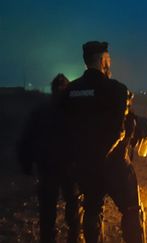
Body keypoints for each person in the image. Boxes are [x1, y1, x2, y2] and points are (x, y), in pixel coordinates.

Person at [60, 41, 145, 243]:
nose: (110, 64)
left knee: (92, 209)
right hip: (114, 164)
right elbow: (118, 130)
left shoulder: (70, 91)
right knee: (132, 210)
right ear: (102, 60)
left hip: (85, 165)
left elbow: (63, 130)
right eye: (109, 59)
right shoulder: (116, 89)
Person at [17, 74, 82, 243]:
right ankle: (73, 238)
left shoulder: (40, 111)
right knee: (73, 208)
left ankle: (50, 239)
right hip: (69, 168)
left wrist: (27, 165)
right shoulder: (75, 111)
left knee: (48, 212)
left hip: (48, 167)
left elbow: (27, 139)